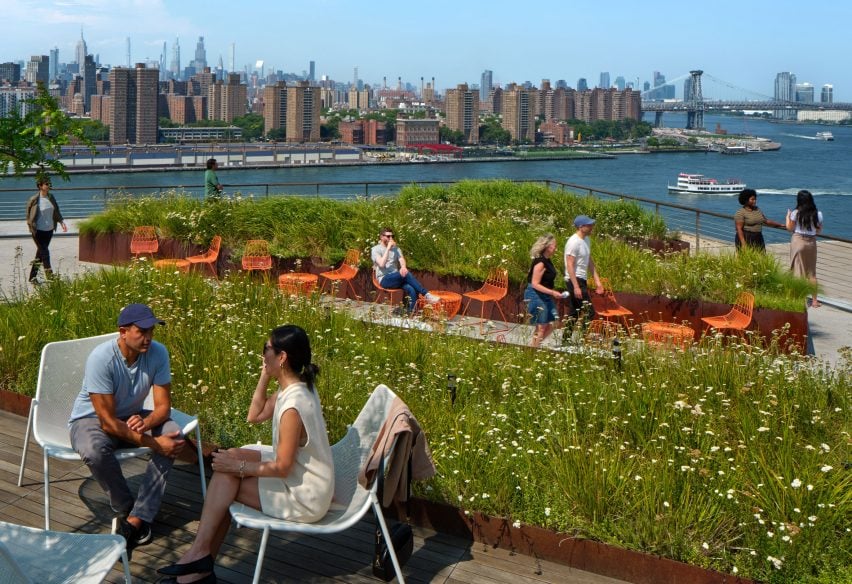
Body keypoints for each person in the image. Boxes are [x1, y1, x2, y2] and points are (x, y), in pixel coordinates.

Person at [157, 325, 333, 584]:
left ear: (282, 357)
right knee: (231, 460)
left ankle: (198, 562)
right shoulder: (295, 386)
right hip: (304, 475)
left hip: (305, 494)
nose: (263, 356)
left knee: (227, 478)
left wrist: (238, 467)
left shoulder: (293, 408)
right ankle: (200, 559)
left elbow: (282, 467)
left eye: (266, 350)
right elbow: (254, 416)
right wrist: (265, 376)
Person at [69, 304, 186, 555]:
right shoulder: (102, 358)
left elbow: (163, 408)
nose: (148, 337)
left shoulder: (158, 353)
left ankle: (135, 521)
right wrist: (154, 443)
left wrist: (147, 423)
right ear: (123, 331)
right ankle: (128, 508)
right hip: (92, 420)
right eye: (141, 331)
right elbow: (108, 423)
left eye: (151, 330)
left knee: (174, 434)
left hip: (132, 416)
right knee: (94, 450)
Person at [371, 227, 439, 314]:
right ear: (381, 237)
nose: (391, 239)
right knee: (405, 274)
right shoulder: (375, 249)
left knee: (411, 288)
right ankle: (426, 294)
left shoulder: (396, 248)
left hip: (396, 278)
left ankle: (411, 312)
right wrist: (388, 249)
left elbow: (401, 259)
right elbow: (381, 264)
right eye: (388, 236)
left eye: (392, 236)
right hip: (384, 279)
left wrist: (403, 266)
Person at [25, 175, 67, 283]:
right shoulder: (34, 199)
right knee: (45, 253)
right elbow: (28, 216)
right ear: (40, 186)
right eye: (46, 184)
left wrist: (62, 222)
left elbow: (56, 210)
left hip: (49, 230)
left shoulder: (51, 197)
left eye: (49, 184)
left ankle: (32, 277)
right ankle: (50, 278)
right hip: (38, 231)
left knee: (40, 254)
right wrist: (31, 228)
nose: (48, 186)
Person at [786, 189, 824, 308]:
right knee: (812, 273)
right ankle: (814, 301)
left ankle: (799, 300)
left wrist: (787, 216)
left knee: (798, 272)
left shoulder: (795, 213)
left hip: (798, 241)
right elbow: (818, 230)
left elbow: (789, 228)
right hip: (811, 242)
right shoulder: (818, 214)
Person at [524, 234, 563, 348]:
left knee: (554, 322)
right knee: (542, 325)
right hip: (535, 294)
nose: (556, 248)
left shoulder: (548, 260)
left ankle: (535, 346)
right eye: (554, 246)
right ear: (548, 246)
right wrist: (552, 292)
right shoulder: (540, 262)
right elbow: (535, 284)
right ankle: (532, 351)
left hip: (545, 294)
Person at [564, 215, 604, 327]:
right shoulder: (573, 242)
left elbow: (589, 262)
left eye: (592, 224)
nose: (592, 227)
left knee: (574, 312)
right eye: (589, 225)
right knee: (589, 312)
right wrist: (576, 286)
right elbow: (569, 265)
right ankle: (581, 340)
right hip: (574, 280)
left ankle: (566, 341)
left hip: (582, 279)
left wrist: (598, 283)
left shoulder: (586, 240)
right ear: (581, 227)